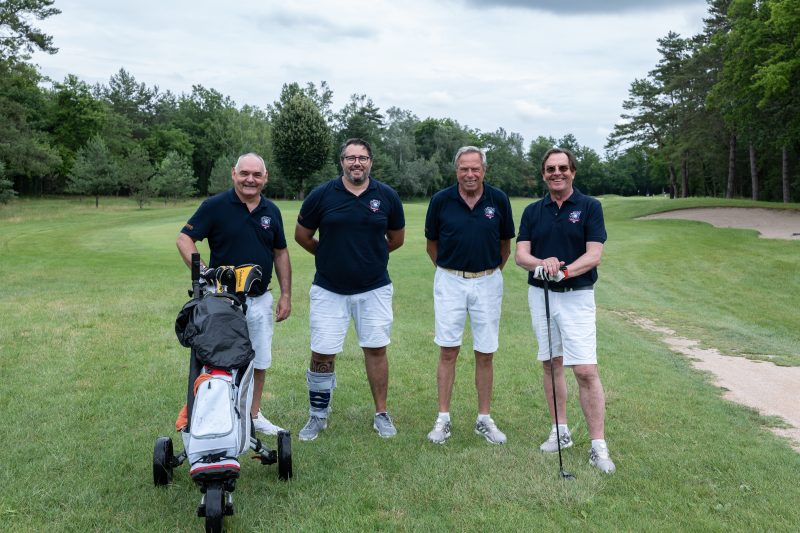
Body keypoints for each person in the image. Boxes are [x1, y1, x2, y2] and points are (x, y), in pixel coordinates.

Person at [294, 138, 405, 441]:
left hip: (374, 289)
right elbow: (302, 235)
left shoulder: (387, 196)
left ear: (371, 162)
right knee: (322, 351)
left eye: (362, 158)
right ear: (341, 161)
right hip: (329, 289)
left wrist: (370, 256)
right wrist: (327, 253)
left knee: (376, 348)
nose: (357, 163)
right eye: (350, 158)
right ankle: (318, 415)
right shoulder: (322, 194)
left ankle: (381, 413)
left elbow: (396, 239)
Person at [514, 147, 615, 473]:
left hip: (576, 296)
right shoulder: (533, 211)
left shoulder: (589, 207)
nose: (556, 173)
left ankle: (598, 446)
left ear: (572, 171)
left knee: (585, 370)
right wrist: (542, 263)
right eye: (550, 169)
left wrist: (565, 271)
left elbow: (594, 254)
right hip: (541, 293)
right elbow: (521, 255)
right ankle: (560, 431)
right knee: (550, 363)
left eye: (562, 168)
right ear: (543, 174)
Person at [176, 152, 291, 436]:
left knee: (259, 359)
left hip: (260, 299)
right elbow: (184, 238)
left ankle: (253, 415)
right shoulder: (215, 206)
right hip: (221, 301)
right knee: (215, 357)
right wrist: (204, 272)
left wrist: (286, 294)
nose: (250, 179)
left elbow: (280, 252)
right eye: (244, 173)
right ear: (233, 174)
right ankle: (213, 415)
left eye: (256, 174)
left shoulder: (272, 211)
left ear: (265, 178)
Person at [424, 146, 515, 445]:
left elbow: (505, 247)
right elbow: (432, 245)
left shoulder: (498, 200)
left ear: (484, 170)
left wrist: (486, 273)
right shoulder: (441, 200)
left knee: (485, 352)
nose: (470, 174)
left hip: (488, 281)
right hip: (449, 280)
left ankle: (484, 419)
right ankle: (443, 419)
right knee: (448, 350)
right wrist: (453, 272)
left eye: (475, 168)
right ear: (457, 171)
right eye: (464, 168)